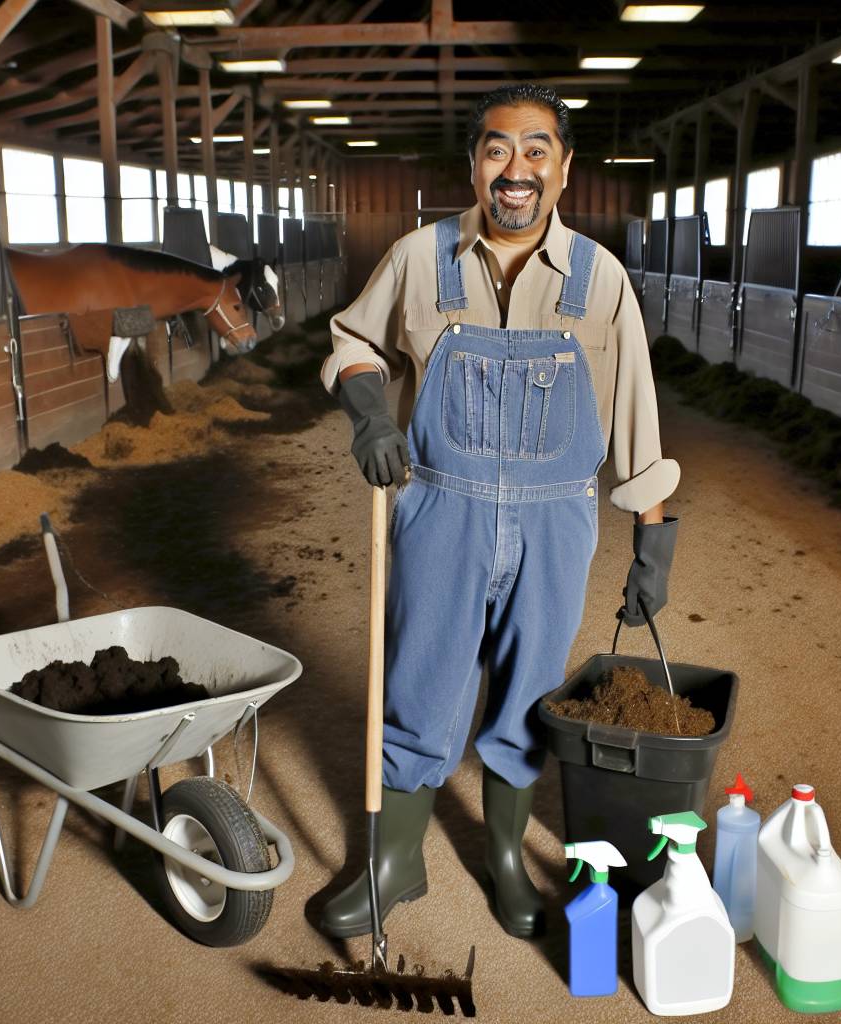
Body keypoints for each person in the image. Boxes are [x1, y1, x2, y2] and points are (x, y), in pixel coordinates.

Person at [318, 83, 680, 939]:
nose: (515, 169)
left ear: (563, 168)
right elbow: (354, 343)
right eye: (496, 149)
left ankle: (505, 859)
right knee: (418, 684)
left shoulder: (600, 280)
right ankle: (394, 864)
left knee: (527, 699)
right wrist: (371, 415)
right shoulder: (419, 257)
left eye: (535, 149)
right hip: (441, 508)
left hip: (558, 522)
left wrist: (653, 546)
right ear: (474, 164)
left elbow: (635, 416)